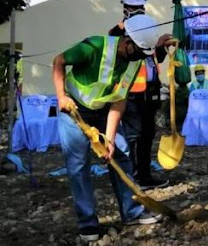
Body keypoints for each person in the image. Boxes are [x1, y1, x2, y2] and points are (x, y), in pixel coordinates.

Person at [53, 14, 167, 242]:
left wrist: (110, 139)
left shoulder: (134, 63)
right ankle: (87, 224)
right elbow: (59, 61)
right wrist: (61, 96)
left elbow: (119, 100)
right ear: (127, 42)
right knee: (78, 166)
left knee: (122, 156)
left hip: (104, 110)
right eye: (137, 52)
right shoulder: (94, 46)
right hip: (73, 110)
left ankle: (132, 212)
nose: (138, 58)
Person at [109, 0, 170, 190]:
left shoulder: (148, 27)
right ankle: (131, 177)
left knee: (147, 134)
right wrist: (123, 29)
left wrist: (161, 45)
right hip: (130, 92)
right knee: (132, 136)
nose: (136, 11)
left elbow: (155, 57)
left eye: (139, 6)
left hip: (150, 90)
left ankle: (144, 176)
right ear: (124, 8)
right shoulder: (117, 32)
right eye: (132, 7)